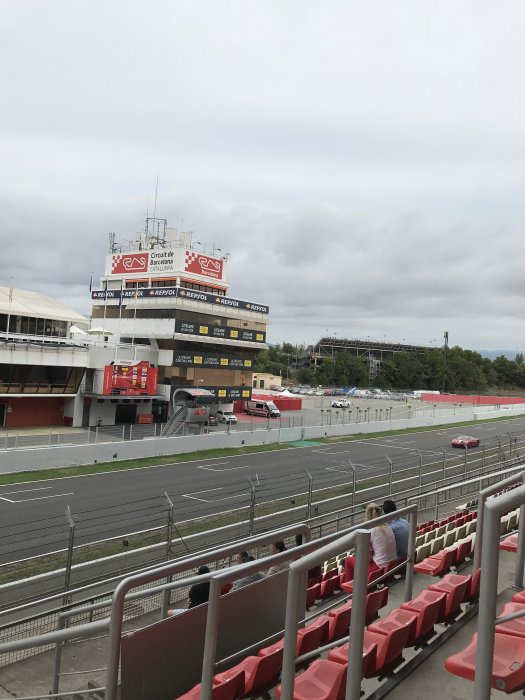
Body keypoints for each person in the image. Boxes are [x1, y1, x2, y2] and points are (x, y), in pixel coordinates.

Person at [342, 503, 397, 583]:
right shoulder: (388, 527)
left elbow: (367, 559)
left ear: (367, 516)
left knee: (348, 560)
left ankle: (349, 586)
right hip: (392, 567)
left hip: (378, 570)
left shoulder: (372, 531)